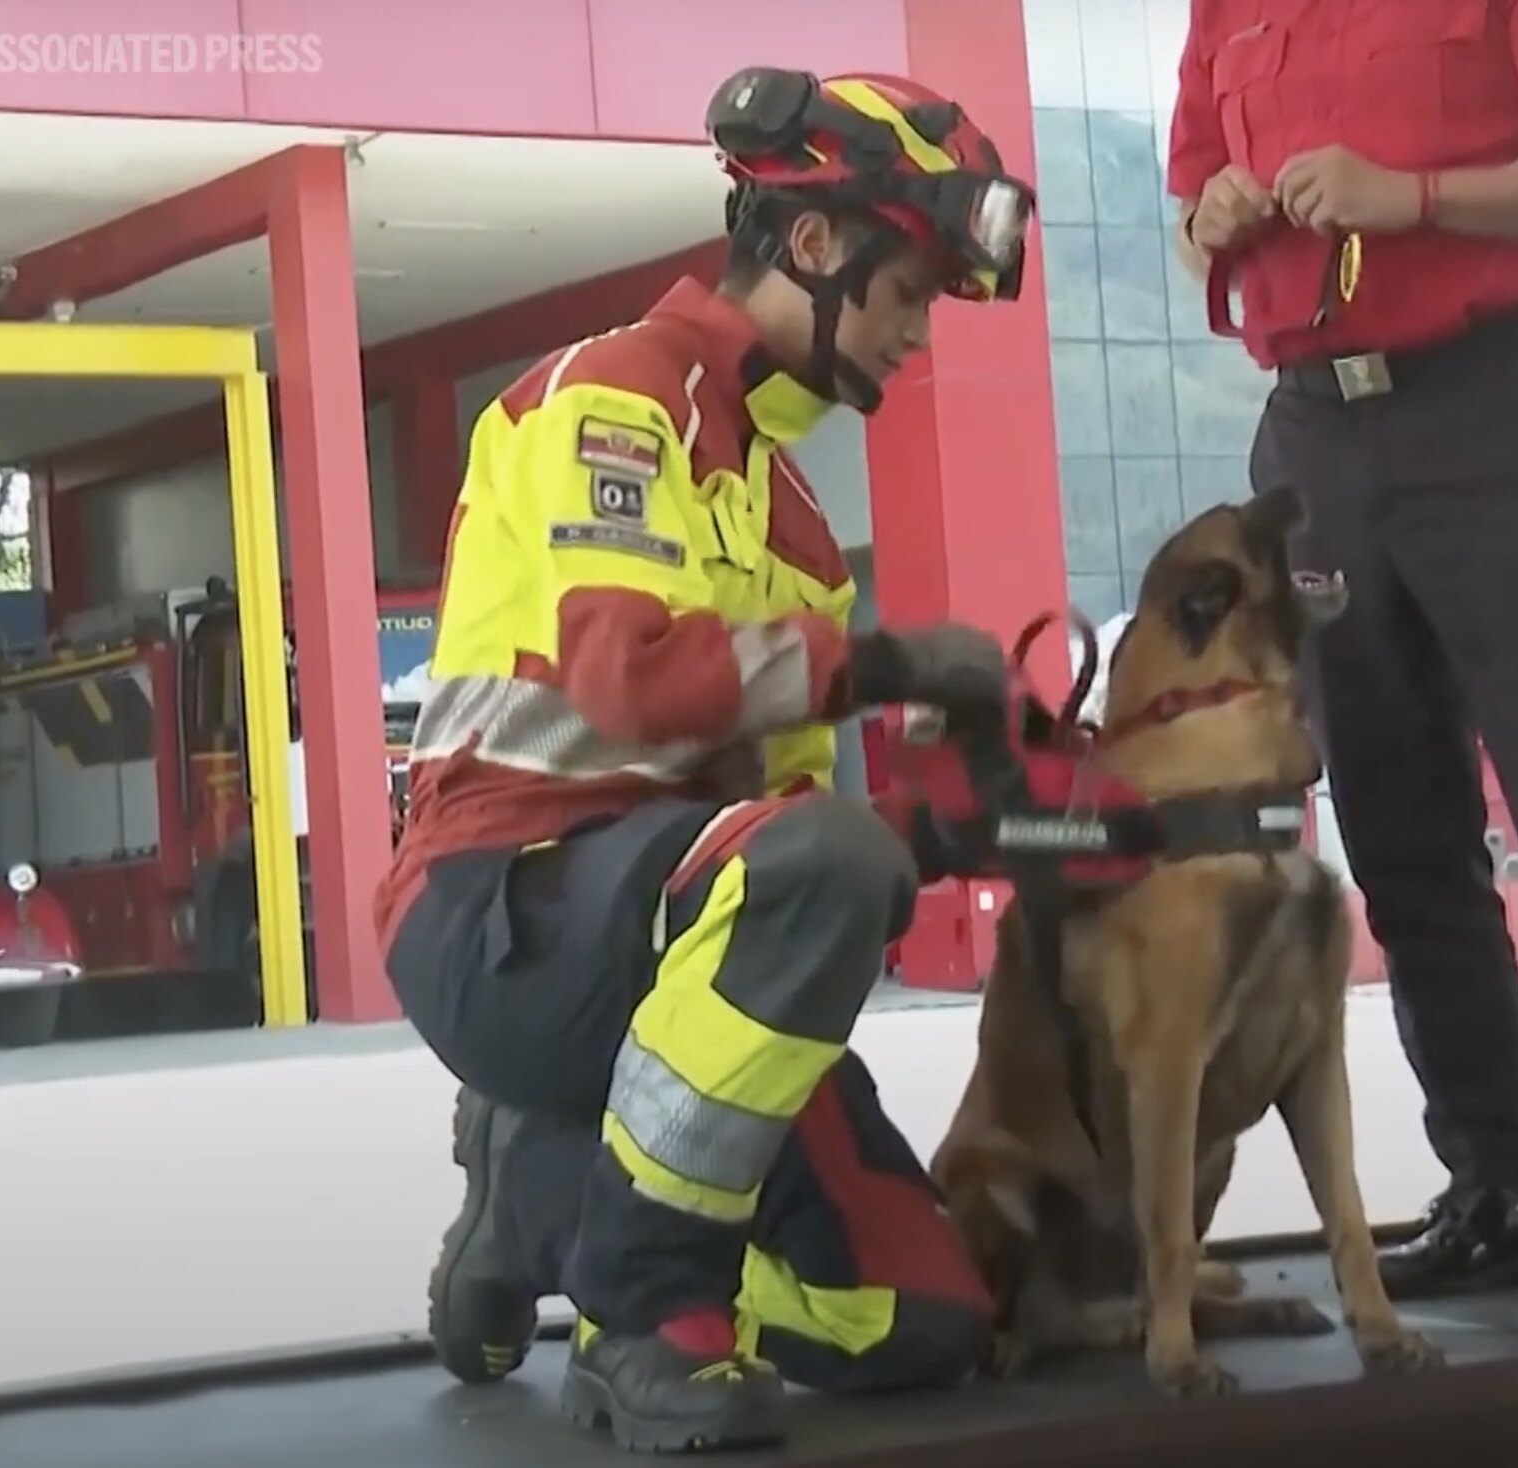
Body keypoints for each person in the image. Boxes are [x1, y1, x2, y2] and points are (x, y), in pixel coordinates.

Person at [376, 67, 1039, 1453]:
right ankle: (639, 1318)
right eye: (908, 289)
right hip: (498, 903)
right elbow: (626, 678)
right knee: (818, 862)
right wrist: (898, 666)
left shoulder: (793, 519)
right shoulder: (608, 399)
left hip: (671, 927)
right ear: (809, 243)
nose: (917, 333)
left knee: (916, 1325)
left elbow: (780, 822)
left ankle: (538, 1185)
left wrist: (993, 818)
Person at [1166, 0, 1518, 1309]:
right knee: (1396, 828)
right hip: (1315, 434)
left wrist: (1406, 197)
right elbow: (1187, 187)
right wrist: (1220, 211)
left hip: (1497, 408)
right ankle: (1501, 1183)